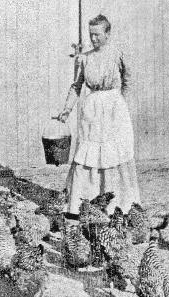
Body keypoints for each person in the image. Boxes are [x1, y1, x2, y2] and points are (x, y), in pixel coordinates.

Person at [58, 14, 140, 218]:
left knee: (113, 154)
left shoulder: (117, 55)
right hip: (92, 113)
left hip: (114, 111)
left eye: (97, 35)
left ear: (108, 33)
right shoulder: (85, 58)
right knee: (88, 154)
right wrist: (67, 110)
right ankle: (81, 205)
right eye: (90, 35)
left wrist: (121, 105)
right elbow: (76, 87)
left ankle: (118, 206)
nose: (93, 39)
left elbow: (129, 80)